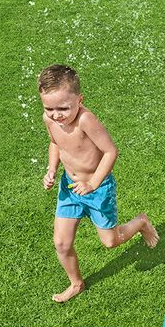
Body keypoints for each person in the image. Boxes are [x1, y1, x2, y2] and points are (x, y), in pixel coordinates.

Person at [38, 64, 158, 303]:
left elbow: (111, 151)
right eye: (49, 108)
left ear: (79, 100)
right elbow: (55, 143)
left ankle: (141, 222)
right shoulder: (49, 120)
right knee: (61, 243)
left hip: (97, 189)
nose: (56, 115)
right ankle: (76, 283)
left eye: (63, 108)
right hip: (70, 189)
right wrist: (51, 169)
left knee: (110, 241)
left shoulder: (86, 120)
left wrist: (93, 183)